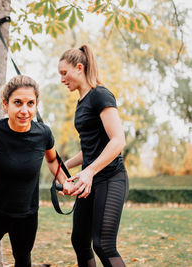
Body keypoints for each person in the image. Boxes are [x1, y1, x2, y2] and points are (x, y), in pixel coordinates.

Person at [0, 75, 71, 267]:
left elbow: (52, 159)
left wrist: (65, 181)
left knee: (23, 261)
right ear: (5, 104)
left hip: (27, 215)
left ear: (36, 105)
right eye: (18, 103)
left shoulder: (43, 134)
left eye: (30, 103)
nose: (25, 110)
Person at [58, 45, 129, 267]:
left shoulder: (100, 95)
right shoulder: (81, 103)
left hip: (110, 178)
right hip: (90, 181)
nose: (62, 80)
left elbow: (118, 140)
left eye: (64, 73)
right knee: (80, 241)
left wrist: (88, 171)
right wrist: (63, 165)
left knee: (103, 245)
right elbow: (91, 147)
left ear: (79, 68)